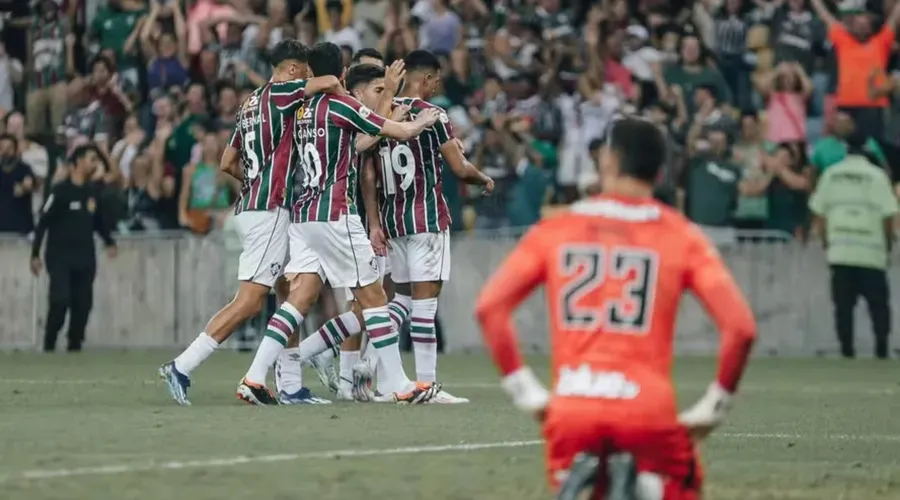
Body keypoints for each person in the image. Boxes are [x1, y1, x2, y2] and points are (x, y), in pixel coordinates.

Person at [474, 117, 757, 499]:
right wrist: (714, 405)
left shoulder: (556, 229)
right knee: (682, 486)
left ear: (607, 160)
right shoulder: (682, 236)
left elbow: (490, 308)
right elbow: (741, 329)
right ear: (659, 173)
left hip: (573, 408)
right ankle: (647, 489)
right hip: (646, 410)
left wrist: (529, 394)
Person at [235, 42, 443, 406]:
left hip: (302, 217)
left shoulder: (299, 109)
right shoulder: (343, 106)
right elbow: (393, 131)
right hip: (335, 214)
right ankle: (400, 384)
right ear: (341, 74)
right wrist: (423, 121)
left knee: (297, 300)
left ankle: (254, 376)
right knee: (375, 296)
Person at [157, 39, 343, 406]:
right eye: (303, 69)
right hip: (269, 212)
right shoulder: (282, 92)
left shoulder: (249, 103)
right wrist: (335, 81)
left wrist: (254, 183)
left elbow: (228, 161)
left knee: (286, 295)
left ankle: (290, 386)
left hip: (254, 206)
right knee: (250, 301)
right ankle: (181, 365)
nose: (307, 74)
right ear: (292, 69)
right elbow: (327, 83)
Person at [809, 133, 898, 359]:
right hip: (871, 253)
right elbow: (889, 215)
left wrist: (827, 243)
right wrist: (888, 244)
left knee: (843, 308)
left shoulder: (831, 174)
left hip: (840, 252)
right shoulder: (877, 177)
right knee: (878, 308)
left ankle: (847, 351)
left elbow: (819, 214)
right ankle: (881, 350)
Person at [30, 144, 117, 352]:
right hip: (59, 257)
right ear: (77, 162)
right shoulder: (60, 191)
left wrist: (109, 241)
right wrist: (35, 253)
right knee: (60, 301)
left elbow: (98, 223)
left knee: (82, 306)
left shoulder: (93, 192)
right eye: (91, 159)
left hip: (85, 258)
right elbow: (43, 222)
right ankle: (49, 343)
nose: (95, 164)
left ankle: (74, 346)